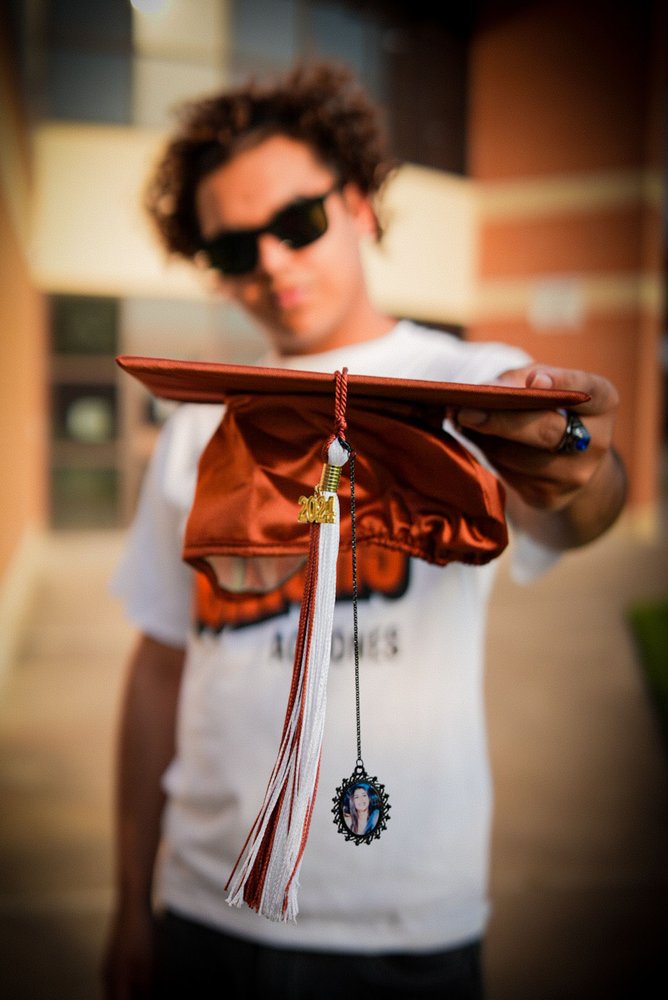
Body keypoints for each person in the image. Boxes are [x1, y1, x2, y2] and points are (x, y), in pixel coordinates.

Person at [101, 60, 626, 999]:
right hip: (208, 901)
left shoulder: (471, 383)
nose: (271, 262)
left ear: (358, 207)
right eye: (233, 249)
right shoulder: (196, 427)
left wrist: (580, 461)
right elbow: (159, 664)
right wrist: (129, 898)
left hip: (405, 921)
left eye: (297, 221)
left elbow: (580, 511)